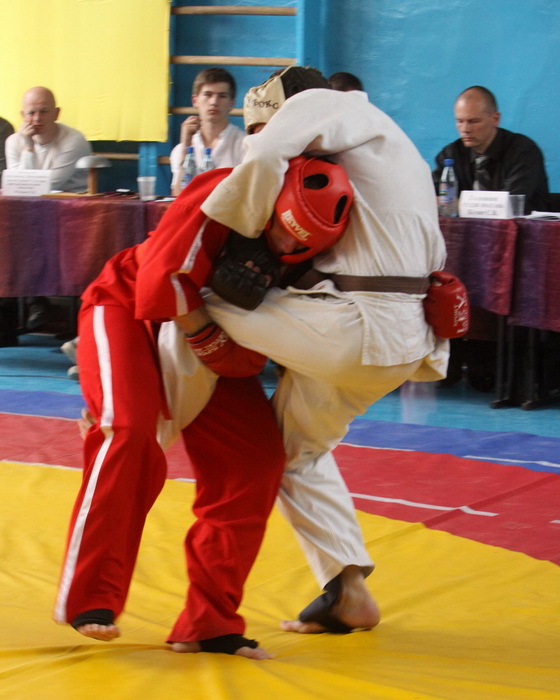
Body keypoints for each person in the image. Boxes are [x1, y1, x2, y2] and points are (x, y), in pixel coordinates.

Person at [157, 65, 449, 635]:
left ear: (287, 108)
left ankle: (145, 432)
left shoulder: (322, 105)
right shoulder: (389, 142)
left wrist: (242, 226)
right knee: (293, 453)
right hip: (402, 341)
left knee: (190, 294)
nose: (261, 136)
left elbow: (265, 156)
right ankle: (347, 589)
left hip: (354, 329)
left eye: (261, 124)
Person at [54, 156, 354, 658]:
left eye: (301, 246)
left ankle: (210, 621)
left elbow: (281, 340)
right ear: (271, 205)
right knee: (126, 432)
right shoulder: (223, 191)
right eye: (284, 233)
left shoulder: (339, 246)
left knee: (255, 463)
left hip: (218, 342)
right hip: (126, 307)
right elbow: (157, 281)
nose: (286, 248)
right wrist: (206, 337)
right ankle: (90, 598)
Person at [5, 87, 91, 332]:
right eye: (31, 113)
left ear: (57, 113)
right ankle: (25, 307)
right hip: (29, 215)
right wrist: (27, 146)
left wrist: (28, 151)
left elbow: (48, 184)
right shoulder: (14, 141)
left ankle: (40, 305)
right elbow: (20, 186)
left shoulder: (74, 139)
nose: (36, 119)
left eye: (44, 112)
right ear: (22, 115)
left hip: (72, 214)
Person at [432, 86, 550, 214]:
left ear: (495, 119)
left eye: (474, 121)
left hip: (522, 226)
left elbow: (508, 204)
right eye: (460, 121)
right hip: (466, 226)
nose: (465, 129)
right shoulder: (451, 154)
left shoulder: (523, 151)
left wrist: (459, 204)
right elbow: (430, 197)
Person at [170, 68, 246, 196]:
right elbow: (178, 197)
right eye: (208, 95)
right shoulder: (180, 149)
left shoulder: (244, 145)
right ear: (195, 101)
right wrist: (185, 145)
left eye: (222, 96)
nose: (214, 102)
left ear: (231, 103)